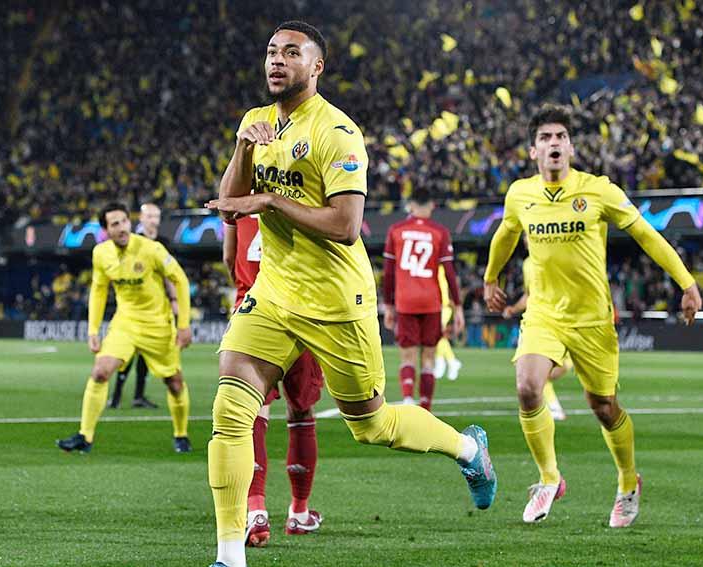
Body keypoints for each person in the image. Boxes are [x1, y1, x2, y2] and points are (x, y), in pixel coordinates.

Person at [203, 21, 496, 567]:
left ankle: (469, 449)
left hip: (338, 301)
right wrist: (243, 150)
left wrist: (269, 202)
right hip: (272, 294)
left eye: (292, 53)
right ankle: (228, 555)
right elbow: (228, 201)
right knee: (230, 408)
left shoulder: (338, 132)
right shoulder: (255, 122)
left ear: (316, 67)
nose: (277, 60)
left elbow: (344, 224)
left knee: (372, 425)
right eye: (271, 51)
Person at [483, 104, 702, 527]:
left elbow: (645, 234)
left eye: (561, 137)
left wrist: (685, 282)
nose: (554, 144)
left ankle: (627, 481)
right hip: (544, 313)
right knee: (528, 386)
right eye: (545, 138)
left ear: (571, 147)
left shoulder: (598, 190)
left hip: (593, 320)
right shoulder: (520, 195)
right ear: (533, 151)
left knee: (603, 406)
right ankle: (549, 478)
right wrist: (492, 278)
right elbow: (505, 234)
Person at [56, 202, 193, 454]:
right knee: (100, 371)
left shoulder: (151, 249)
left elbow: (180, 280)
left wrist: (183, 325)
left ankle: (180, 434)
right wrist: (93, 331)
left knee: (174, 383)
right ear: (106, 229)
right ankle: (84, 437)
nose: (121, 228)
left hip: (157, 325)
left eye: (124, 221)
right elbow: (98, 290)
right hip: (125, 324)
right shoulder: (101, 253)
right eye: (114, 224)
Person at [223, 213, 326, 546]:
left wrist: (245, 288)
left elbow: (229, 257)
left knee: (253, 413)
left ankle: (255, 511)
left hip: (251, 312)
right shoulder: (299, 195)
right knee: (300, 413)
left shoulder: (238, 199)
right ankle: (299, 512)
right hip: (300, 313)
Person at [382, 188, 465, 410]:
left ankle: (408, 401)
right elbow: (449, 272)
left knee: (407, 356)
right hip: (431, 301)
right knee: (428, 357)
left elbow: (388, 272)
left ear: (410, 205)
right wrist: (458, 307)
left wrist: (388, 305)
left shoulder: (396, 230)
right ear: (431, 206)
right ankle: (426, 407)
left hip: (405, 301)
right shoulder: (440, 232)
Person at [109, 203, 174, 409]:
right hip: (134, 304)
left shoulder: (164, 243)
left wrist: (173, 300)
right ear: (141, 219)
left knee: (145, 354)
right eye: (150, 216)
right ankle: (117, 396)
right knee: (127, 354)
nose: (154, 220)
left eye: (157, 216)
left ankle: (138, 396)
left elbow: (169, 274)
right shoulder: (132, 242)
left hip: (157, 307)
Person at [501, 255, 570, 421]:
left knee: (545, 372)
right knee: (534, 374)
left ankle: (552, 407)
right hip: (537, 325)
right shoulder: (527, 264)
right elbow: (529, 295)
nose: (526, 238)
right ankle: (553, 407)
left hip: (562, 325)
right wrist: (513, 309)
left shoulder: (559, 255)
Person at [433, 265, 463, 381]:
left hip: (442, 306)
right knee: (437, 336)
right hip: (440, 305)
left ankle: (447, 362)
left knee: (438, 336)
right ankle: (447, 362)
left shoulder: (438, 268)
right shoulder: (440, 268)